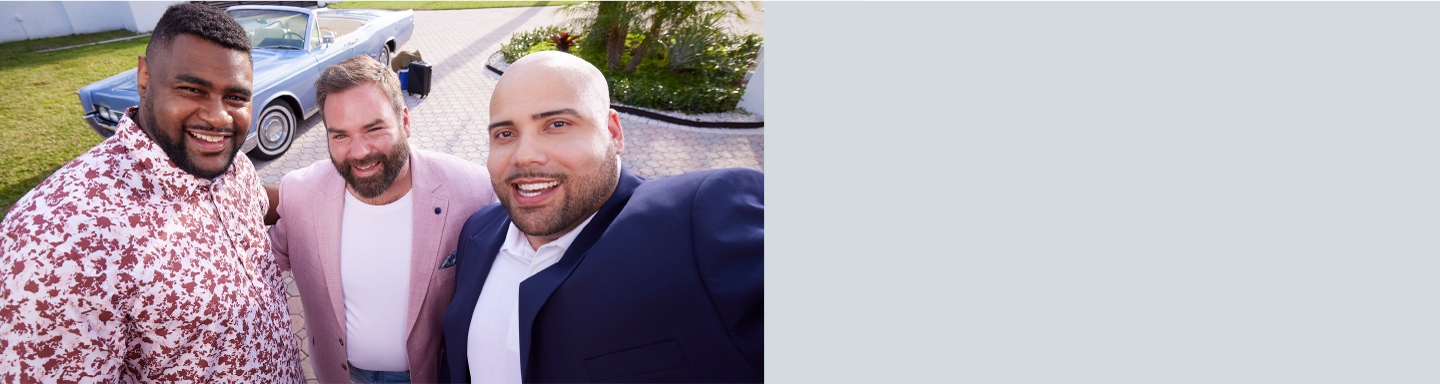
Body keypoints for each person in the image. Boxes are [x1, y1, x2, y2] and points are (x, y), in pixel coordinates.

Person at [0, 3, 302, 382]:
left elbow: (260, 203)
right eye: (192, 89)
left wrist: (342, 186)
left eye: (236, 98)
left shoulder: (230, 164)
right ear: (144, 77)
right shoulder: (56, 238)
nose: (219, 117)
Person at [439, 51, 764, 383]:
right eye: (505, 134)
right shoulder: (477, 232)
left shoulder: (699, 220)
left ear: (613, 132)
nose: (525, 156)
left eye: (557, 124)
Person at [267, 55, 497, 384]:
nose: (359, 152)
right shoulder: (300, 194)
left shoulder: (473, 190)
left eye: (374, 129)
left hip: (429, 374)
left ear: (404, 121)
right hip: (341, 374)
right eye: (340, 135)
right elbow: (258, 266)